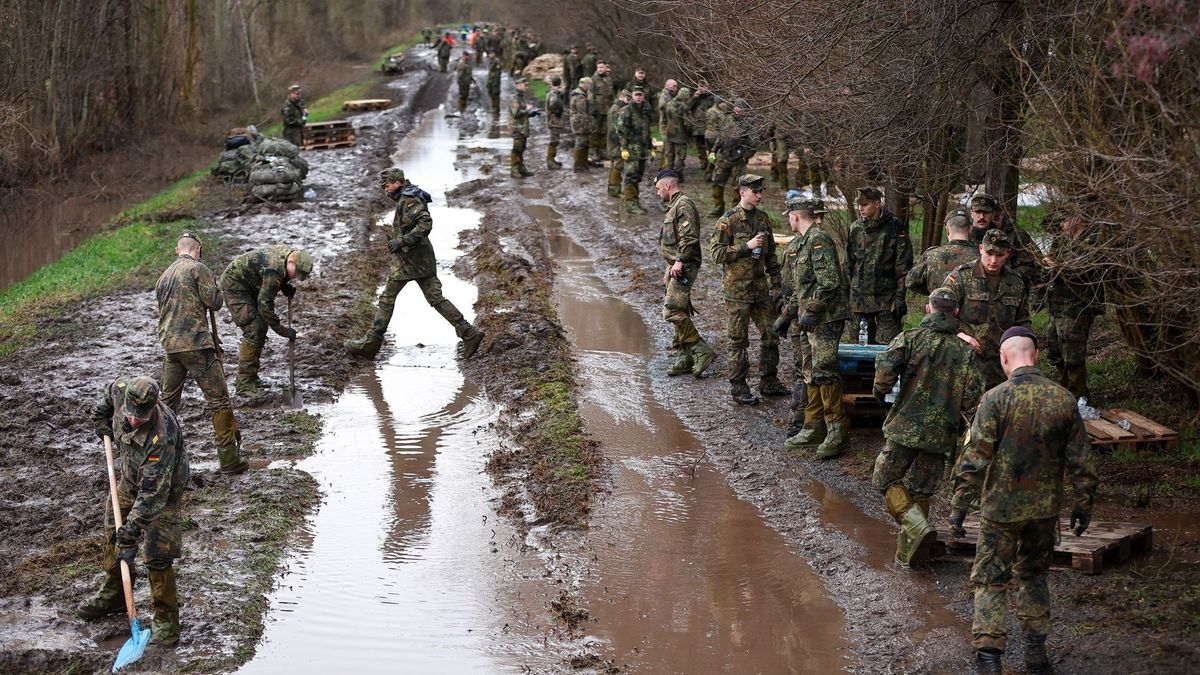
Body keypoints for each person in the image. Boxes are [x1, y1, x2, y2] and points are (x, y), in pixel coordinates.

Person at [950, 326, 1097, 675]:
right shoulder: (1063, 398)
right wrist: (1083, 502)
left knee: (990, 579)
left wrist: (959, 506)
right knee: (1033, 576)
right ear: (1036, 356)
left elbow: (975, 457)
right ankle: (1036, 654)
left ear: (1004, 358)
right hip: (1044, 511)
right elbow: (1081, 459)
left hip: (1000, 511)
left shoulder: (995, 399)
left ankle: (989, 659)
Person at [871, 287, 982, 566]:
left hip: (904, 426)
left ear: (928, 308)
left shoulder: (910, 338)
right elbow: (972, 396)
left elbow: (884, 369)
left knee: (883, 478)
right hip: (941, 433)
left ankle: (916, 526)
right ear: (956, 312)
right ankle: (912, 556)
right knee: (922, 489)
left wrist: (881, 393)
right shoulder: (965, 350)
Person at [79, 376, 189, 647]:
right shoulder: (120, 390)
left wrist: (131, 535)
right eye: (130, 415)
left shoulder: (162, 437)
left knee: (157, 551)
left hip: (163, 487)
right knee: (112, 529)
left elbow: (152, 497)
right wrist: (100, 419)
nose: (134, 421)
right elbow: (106, 398)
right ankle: (115, 592)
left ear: (154, 407)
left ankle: (166, 619)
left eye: (141, 417)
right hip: (130, 476)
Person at [345, 169, 484, 359]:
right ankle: (469, 333)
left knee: (387, 299)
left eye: (387, 186)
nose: (385, 190)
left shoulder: (409, 199)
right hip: (420, 259)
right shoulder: (408, 196)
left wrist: (402, 241)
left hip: (411, 260)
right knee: (436, 299)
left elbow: (425, 224)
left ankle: (371, 344)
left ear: (398, 182)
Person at [155, 232, 248, 474]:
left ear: (177, 251)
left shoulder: (163, 276)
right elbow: (215, 302)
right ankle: (229, 459)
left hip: (171, 347)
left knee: (167, 404)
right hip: (197, 344)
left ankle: (160, 459)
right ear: (199, 250)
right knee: (218, 400)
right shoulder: (198, 269)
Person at [778, 198, 852, 458]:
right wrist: (789, 315)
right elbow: (803, 287)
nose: (788, 220)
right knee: (811, 370)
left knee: (825, 370)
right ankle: (813, 425)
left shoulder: (818, 240)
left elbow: (829, 282)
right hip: (812, 317)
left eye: (789, 216)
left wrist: (811, 311)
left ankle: (837, 431)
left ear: (796, 216)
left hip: (827, 317)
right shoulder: (805, 241)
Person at [708, 174, 788, 405]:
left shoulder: (763, 219)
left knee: (772, 334)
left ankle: (769, 381)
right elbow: (717, 254)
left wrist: (777, 286)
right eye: (755, 192)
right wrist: (746, 246)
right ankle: (739, 387)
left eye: (761, 191)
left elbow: (772, 256)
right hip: (737, 292)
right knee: (738, 340)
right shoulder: (728, 220)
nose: (759, 196)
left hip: (760, 290)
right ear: (742, 192)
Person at [943, 229, 1032, 390]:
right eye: (989, 253)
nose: (993, 260)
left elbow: (1022, 321)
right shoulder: (961, 277)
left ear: (1008, 253)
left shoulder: (1016, 283)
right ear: (980, 249)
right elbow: (941, 314)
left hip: (1000, 363)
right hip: (965, 358)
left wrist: (1026, 347)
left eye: (999, 255)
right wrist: (960, 335)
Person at [219, 245, 313, 396]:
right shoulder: (274, 271)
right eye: (295, 274)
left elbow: (268, 277)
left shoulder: (286, 258)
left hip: (250, 285)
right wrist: (281, 330)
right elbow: (265, 305)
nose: (295, 277)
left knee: (260, 328)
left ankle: (252, 378)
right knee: (254, 329)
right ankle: (244, 384)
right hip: (235, 287)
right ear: (291, 263)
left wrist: (284, 285)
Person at [655, 169, 716, 378]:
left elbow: (689, 237)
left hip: (683, 265)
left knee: (671, 310)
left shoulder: (684, 205)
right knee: (679, 309)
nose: (657, 193)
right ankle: (685, 355)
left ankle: (701, 350)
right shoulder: (674, 206)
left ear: (667, 186)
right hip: (674, 265)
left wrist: (679, 261)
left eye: (657, 188)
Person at [1043, 211, 1105, 400]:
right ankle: (1065, 390)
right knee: (1054, 347)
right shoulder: (1063, 239)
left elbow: (1087, 272)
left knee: (1073, 354)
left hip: (1079, 305)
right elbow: (1046, 226)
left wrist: (1058, 265)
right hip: (1059, 305)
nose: (1061, 223)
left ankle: (1079, 397)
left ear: (1078, 218)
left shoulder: (1092, 241)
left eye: (1065, 218)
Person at [847, 186, 914, 344]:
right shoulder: (856, 228)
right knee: (859, 349)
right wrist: (846, 295)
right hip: (859, 299)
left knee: (890, 348)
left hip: (886, 299)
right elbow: (848, 264)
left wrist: (899, 297)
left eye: (865, 205)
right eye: (859, 205)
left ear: (877, 204)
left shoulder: (894, 226)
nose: (860, 209)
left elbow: (903, 266)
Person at [968, 193, 1041, 286]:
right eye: (978, 212)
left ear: (993, 214)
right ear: (971, 213)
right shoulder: (963, 232)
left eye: (986, 212)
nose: (982, 217)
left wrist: (1011, 277)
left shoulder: (1014, 235)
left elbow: (1033, 264)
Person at [907, 208, 978, 296]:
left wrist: (932, 291)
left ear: (947, 230)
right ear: (970, 229)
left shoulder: (931, 255)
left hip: (938, 307)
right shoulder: (981, 257)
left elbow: (910, 282)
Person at [708, 100, 755, 217]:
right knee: (717, 183)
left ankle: (735, 212)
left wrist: (745, 157)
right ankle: (717, 208)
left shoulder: (747, 124)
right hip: (722, 158)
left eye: (740, 108)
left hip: (738, 160)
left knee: (738, 187)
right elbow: (720, 137)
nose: (737, 110)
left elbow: (753, 144)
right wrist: (713, 150)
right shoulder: (727, 119)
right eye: (736, 107)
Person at [616, 86, 653, 213]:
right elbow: (621, 131)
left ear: (643, 96)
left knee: (638, 175)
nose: (638, 97)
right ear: (632, 95)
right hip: (631, 149)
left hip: (642, 149)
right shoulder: (626, 111)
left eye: (640, 95)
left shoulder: (646, 111)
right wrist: (624, 148)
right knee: (630, 175)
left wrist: (650, 147)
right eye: (636, 95)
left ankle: (634, 200)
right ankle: (630, 203)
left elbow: (647, 131)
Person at [508, 77, 537, 178]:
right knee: (516, 149)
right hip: (517, 128)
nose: (527, 87)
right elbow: (516, 113)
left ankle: (521, 168)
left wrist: (531, 113)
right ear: (519, 85)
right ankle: (514, 170)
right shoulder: (514, 97)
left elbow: (522, 113)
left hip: (522, 127)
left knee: (522, 148)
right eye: (525, 85)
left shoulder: (520, 97)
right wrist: (527, 109)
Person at [588, 60, 615, 164]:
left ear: (605, 68)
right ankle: (593, 152)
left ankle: (603, 151)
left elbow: (611, 94)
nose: (600, 69)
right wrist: (592, 107)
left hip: (606, 109)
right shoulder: (593, 79)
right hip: (596, 110)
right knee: (595, 131)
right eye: (598, 67)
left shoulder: (608, 79)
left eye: (602, 67)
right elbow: (590, 95)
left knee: (604, 131)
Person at [605, 89, 631, 197]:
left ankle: (613, 189)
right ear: (621, 96)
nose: (628, 101)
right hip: (616, 142)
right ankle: (614, 191)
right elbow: (616, 129)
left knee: (615, 164)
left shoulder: (617, 108)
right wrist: (622, 143)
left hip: (614, 141)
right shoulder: (617, 110)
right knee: (617, 165)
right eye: (627, 98)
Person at [663, 86, 692, 178]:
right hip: (681, 134)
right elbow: (688, 123)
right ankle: (677, 174)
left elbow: (664, 117)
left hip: (669, 132)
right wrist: (689, 132)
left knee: (669, 155)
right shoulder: (684, 107)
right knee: (680, 156)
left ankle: (668, 173)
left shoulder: (669, 103)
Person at [569, 77, 594, 172]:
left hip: (579, 122)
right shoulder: (580, 96)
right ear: (585, 84)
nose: (589, 87)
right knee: (580, 143)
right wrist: (587, 126)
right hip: (579, 123)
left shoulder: (580, 94)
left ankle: (583, 164)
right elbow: (582, 113)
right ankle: (579, 166)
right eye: (589, 84)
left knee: (584, 143)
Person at [545, 76, 566, 169]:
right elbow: (553, 104)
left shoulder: (553, 92)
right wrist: (558, 112)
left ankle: (552, 160)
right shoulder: (553, 94)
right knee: (554, 141)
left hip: (553, 120)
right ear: (560, 84)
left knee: (555, 140)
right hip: (554, 120)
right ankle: (550, 161)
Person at [280, 84, 307, 148]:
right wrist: (301, 121)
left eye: (299, 94)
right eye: (296, 94)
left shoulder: (298, 104)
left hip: (298, 133)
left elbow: (302, 116)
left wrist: (305, 114)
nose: (298, 96)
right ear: (290, 94)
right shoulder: (288, 106)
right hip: (291, 135)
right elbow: (289, 121)